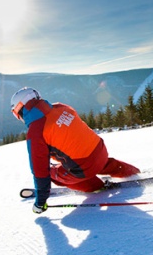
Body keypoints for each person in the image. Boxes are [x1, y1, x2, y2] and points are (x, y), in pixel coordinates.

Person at [10, 87, 141, 214]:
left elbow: (40, 171)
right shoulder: (61, 107)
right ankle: (133, 173)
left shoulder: (36, 131)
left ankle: (97, 186)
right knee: (98, 161)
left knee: (52, 173)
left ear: (20, 110)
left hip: (85, 167)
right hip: (100, 150)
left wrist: (40, 202)